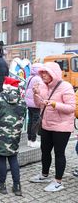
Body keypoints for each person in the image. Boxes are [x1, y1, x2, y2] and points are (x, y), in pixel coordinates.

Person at [29, 62, 75, 192]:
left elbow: (71, 108)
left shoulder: (66, 87)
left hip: (62, 127)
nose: (43, 75)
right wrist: (36, 93)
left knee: (59, 154)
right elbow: (39, 105)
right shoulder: (43, 86)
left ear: (53, 74)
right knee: (45, 150)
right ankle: (44, 175)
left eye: (46, 72)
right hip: (46, 125)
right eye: (42, 72)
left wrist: (55, 104)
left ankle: (58, 182)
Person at [0, 76, 26, 196]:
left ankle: (1, 185)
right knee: (13, 159)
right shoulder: (22, 101)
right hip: (14, 136)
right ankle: (17, 186)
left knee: (1, 159)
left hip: (0, 136)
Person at [25, 63, 43, 148]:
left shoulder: (30, 77)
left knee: (30, 121)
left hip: (29, 103)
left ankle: (29, 139)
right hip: (35, 103)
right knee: (35, 122)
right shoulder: (38, 79)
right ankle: (33, 140)